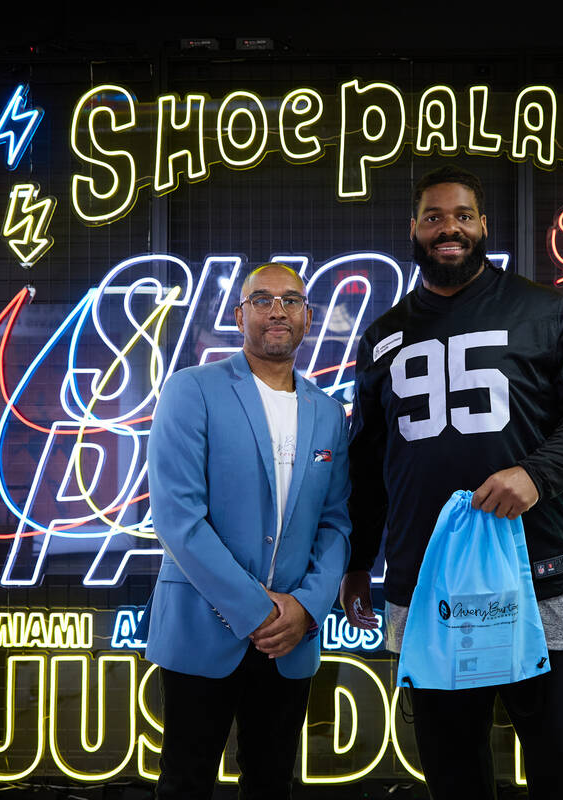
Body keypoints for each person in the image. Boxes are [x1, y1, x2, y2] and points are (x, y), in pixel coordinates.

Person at [340, 166, 563, 800]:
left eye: (463, 216)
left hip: (540, 574)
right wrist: (358, 560)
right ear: (413, 229)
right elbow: (368, 459)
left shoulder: (543, 309)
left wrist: (536, 473)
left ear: (483, 227)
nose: (450, 228)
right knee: (453, 776)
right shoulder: (384, 333)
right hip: (427, 582)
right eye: (435, 217)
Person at [145, 262, 351, 799]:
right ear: (240, 316)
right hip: (202, 628)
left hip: (291, 639)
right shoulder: (193, 390)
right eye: (262, 299)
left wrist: (306, 607)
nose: (277, 309)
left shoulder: (330, 414)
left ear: (309, 317)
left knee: (272, 783)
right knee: (185, 783)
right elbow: (178, 518)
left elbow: (335, 522)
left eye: (291, 300)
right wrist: (260, 611)